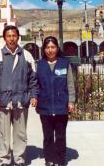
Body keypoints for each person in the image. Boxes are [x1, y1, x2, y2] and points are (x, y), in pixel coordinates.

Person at [0, 25, 39, 166]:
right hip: (3, 101)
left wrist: (33, 96)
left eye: (14, 35)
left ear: (18, 37)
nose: (11, 38)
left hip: (21, 100)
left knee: (20, 133)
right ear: (4, 38)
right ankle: (4, 159)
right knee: (3, 133)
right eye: (8, 36)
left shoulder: (27, 56)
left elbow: (33, 79)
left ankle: (19, 159)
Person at [36, 36, 75, 166]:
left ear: (57, 48)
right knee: (47, 136)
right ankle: (49, 159)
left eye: (53, 47)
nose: (50, 50)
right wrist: (34, 97)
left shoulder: (65, 63)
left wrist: (71, 101)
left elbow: (70, 84)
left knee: (60, 136)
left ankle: (60, 160)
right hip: (45, 106)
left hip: (61, 106)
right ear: (44, 49)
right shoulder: (40, 65)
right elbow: (36, 85)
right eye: (47, 47)